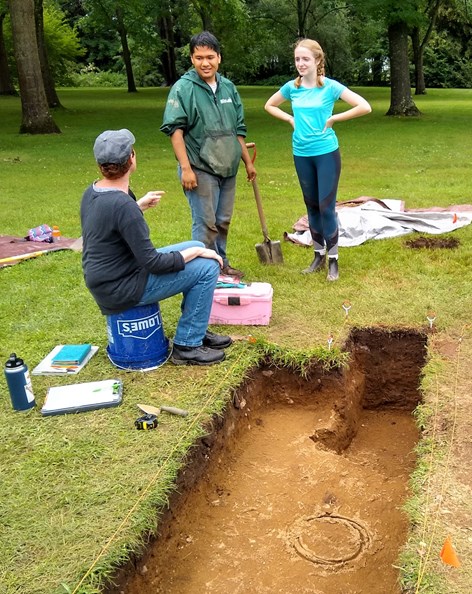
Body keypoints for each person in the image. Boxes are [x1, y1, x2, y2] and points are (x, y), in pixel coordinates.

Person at [81, 129, 232, 366]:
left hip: (111, 277)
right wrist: (200, 253)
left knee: (195, 243)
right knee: (207, 266)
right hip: (121, 288)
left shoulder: (93, 192)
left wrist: (137, 206)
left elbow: (110, 226)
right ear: (132, 158)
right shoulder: (122, 205)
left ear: (101, 165)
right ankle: (187, 346)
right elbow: (154, 263)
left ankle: (197, 328)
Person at [264, 38, 371, 281]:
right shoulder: (292, 87)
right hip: (301, 153)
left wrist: (334, 119)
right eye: (297, 59)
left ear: (317, 61)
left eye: (305, 59)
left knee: (326, 207)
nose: (300, 64)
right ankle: (317, 255)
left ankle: (333, 260)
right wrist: (290, 120)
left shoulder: (330, 87)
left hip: (326, 154)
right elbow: (269, 105)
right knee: (311, 205)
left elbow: (364, 106)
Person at [161, 31, 255, 279]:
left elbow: (238, 131)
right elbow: (175, 132)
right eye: (199, 57)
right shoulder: (183, 89)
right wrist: (186, 168)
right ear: (192, 59)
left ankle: (222, 264)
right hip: (199, 168)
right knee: (205, 224)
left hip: (228, 167)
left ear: (219, 58)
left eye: (210, 57)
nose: (205, 63)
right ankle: (205, 273)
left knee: (222, 221)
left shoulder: (229, 88)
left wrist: (247, 162)